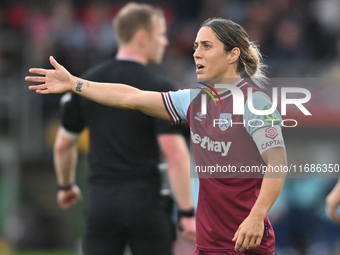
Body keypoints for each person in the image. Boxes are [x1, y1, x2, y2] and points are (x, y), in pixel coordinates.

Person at [27, 17, 287, 255]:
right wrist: (75, 83)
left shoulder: (256, 103)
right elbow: (132, 97)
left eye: (207, 46)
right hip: (209, 244)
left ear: (233, 55)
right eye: (196, 45)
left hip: (247, 241)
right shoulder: (194, 100)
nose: (196, 53)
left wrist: (257, 215)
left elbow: (278, 164)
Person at [51, 3, 196, 255]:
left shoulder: (85, 83)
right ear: (142, 37)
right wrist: (186, 212)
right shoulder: (159, 85)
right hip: (147, 204)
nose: (164, 42)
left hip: (101, 203)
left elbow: (63, 145)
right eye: (160, 34)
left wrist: (66, 186)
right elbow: (174, 155)